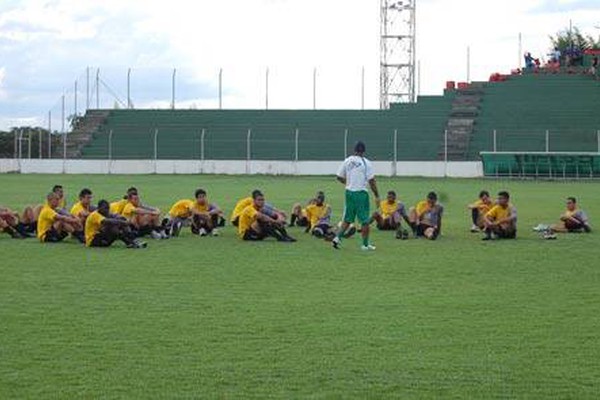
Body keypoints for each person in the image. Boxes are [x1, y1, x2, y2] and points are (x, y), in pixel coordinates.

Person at [332, 141, 380, 251]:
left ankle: (337, 238)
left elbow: (338, 177)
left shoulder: (347, 160)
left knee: (348, 219)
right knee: (365, 221)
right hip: (361, 193)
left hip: (349, 193)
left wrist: (349, 183)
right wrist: (376, 195)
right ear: (364, 151)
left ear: (354, 150)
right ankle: (365, 244)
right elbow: (371, 180)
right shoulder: (366, 162)